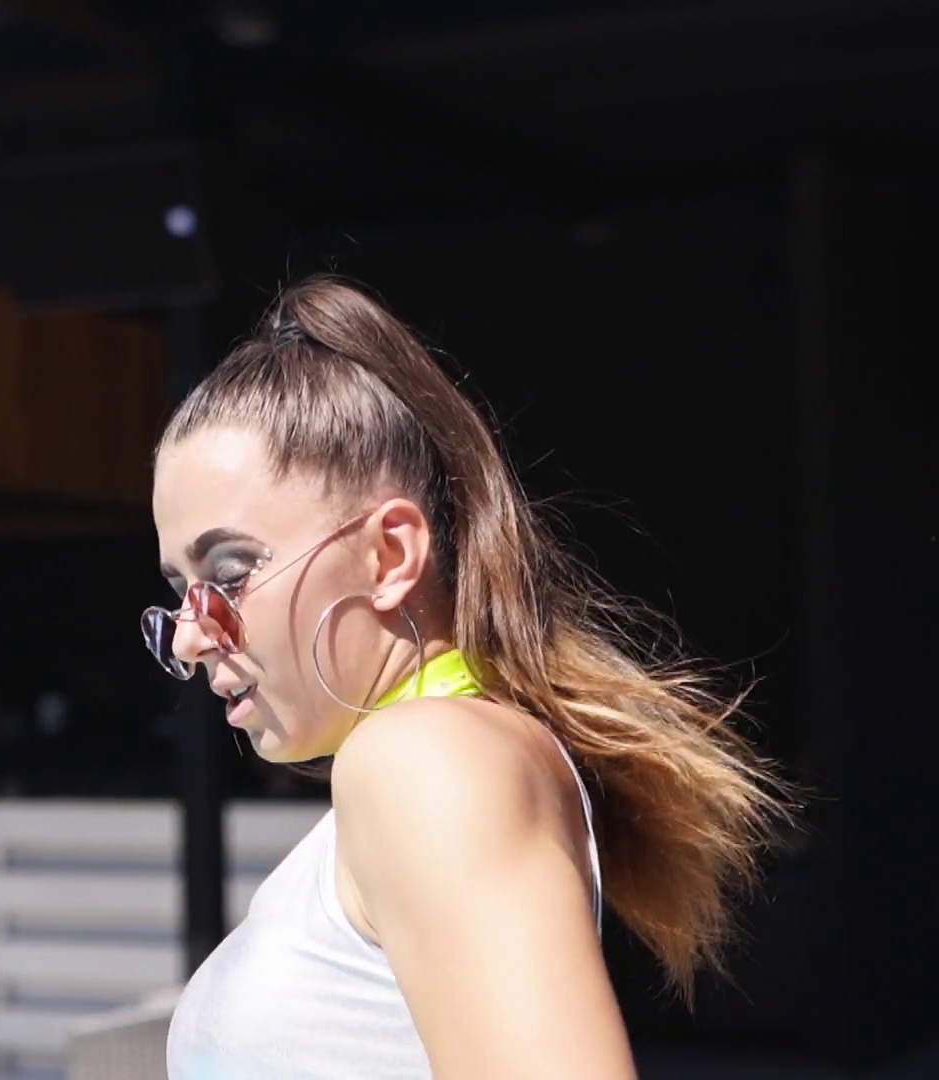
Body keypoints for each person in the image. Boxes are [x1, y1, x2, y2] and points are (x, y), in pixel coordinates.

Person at [143, 276, 791, 1080]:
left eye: (229, 574)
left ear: (390, 555)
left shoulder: (424, 759)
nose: (192, 635)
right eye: (179, 593)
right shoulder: (435, 758)